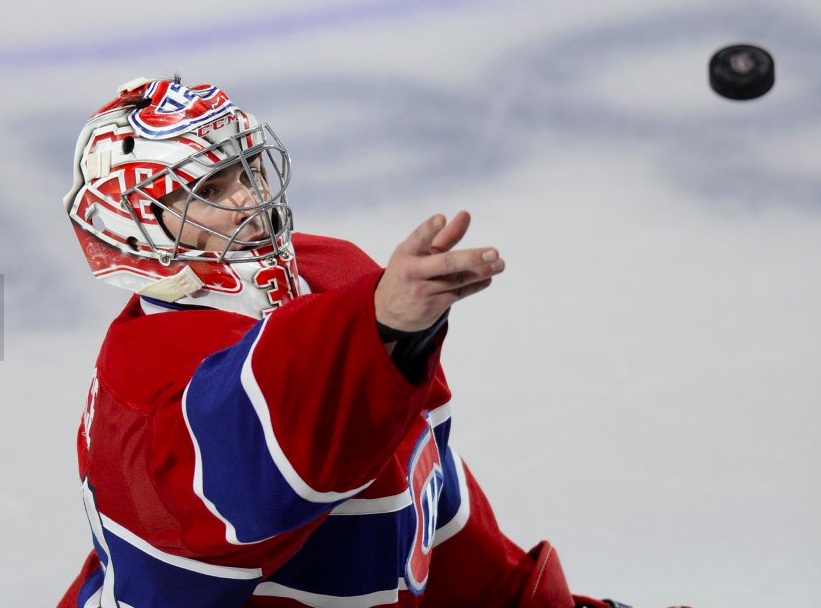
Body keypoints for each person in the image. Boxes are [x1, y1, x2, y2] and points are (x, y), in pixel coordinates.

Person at [57, 76, 621, 608]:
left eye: (247, 166)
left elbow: (420, 490)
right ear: (136, 228)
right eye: (210, 188)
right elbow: (264, 453)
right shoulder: (144, 385)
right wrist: (379, 330)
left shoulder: (332, 272)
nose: (248, 198)